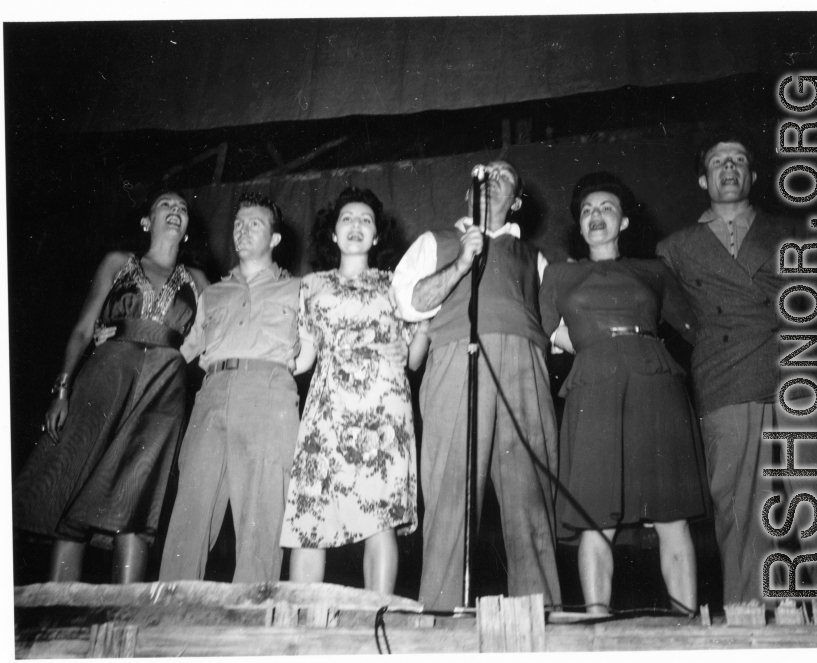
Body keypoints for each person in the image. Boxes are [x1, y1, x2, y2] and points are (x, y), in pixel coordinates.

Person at [657, 133, 817, 610]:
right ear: (703, 178)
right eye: (718, 161)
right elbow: (670, 316)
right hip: (726, 379)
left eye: (739, 160)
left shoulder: (791, 230)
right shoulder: (674, 247)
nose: (729, 168)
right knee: (741, 508)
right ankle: (747, 618)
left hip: (797, 370)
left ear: (753, 175)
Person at [13, 190, 208, 583]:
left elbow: (211, 337)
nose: (175, 211)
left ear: (187, 230)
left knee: (138, 495)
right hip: (108, 377)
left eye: (183, 209)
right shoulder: (118, 263)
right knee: (77, 484)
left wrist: (170, 357)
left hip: (163, 392)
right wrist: (62, 391)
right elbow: (84, 329)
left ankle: (126, 615)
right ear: (146, 222)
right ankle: (59, 608)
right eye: (166, 206)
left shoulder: (200, 280)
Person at [392, 160, 561, 611]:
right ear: (468, 194)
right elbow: (410, 302)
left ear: (518, 201)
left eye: (506, 177)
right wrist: (462, 262)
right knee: (450, 496)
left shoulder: (535, 258)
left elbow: (561, 331)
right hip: (454, 360)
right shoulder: (436, 241)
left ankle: (539, 616)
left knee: (531, 500)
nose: (492, 183)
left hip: (523, 367)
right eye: (486, 177)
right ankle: (442, 615)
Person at [539, 172, 709, 615]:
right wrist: (585, 344)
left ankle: (686, 623)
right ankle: (597, 622)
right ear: (578, 225)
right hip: (593, 387)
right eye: (588, 211)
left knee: (672, 517)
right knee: (595, 518)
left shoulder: (653, 271)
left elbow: (698, 328)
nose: (597, 216)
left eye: (607, 208)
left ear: (624, 222)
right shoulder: (558, 274)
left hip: (656, 384)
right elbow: (537, 332)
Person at [280, 187, 428, 595]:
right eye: (347, 218)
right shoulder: (309, 286)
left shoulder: (396, 285)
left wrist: (414, 341)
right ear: (333, 233)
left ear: (378, 236)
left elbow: (414, 358)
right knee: (310, 517)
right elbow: (304, 357)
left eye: (366, 220)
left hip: (384, 411)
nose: (356, 226)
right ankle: (300, 628)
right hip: (329, 409)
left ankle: (376, 619)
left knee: (379, 520)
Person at [158, 191, 301, 583]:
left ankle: (254, 613)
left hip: (269, 392)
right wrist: (123, 340)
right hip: (213, 391)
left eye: (255, 224)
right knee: (191, 504)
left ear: (274, 239)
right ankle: (172, 605)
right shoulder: (214, 293)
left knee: (261, 511)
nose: (242, 231)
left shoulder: (300, 290)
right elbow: (182, 351)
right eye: (238, 224)